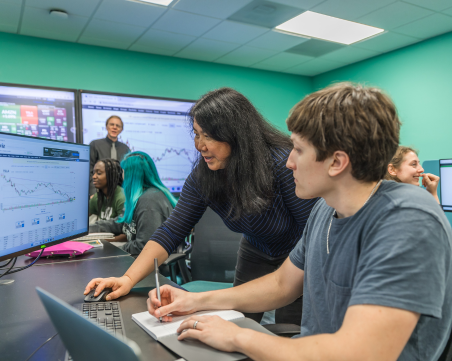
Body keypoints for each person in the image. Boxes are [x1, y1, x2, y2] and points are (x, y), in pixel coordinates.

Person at [145, 83, 452, 361]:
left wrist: (239, 338)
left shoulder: (409, 222)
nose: (289, 161)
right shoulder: (325, 209)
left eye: (298, 149)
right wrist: (196, 301)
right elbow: (282, 285)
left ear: (337, 162)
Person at [84, 88, 318, 325]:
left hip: (299, 252)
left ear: (236, 135)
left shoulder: (282, 165)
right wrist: (127, 279)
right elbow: (171, 231)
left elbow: (313, 235)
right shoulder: (204, 175)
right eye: (196, 134)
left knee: (291, 326)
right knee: (241, 319)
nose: (199, 145)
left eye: (208, 136)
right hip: (256, 249)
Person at [89, 151, 177, 258]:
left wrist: (111, 251)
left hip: (152, 267)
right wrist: (88, 229)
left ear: (131, 175)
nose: (122, 176)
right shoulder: (139, 197)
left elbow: (143, 247)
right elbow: (120, 223)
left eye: (124, 171)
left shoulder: (149, 202)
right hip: (137, 258)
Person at [88, 115, 130, 195]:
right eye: (112, 124)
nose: (114, 127)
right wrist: (93, 192)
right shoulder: (95, 145)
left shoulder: (125, 149)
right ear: (107, 127)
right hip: (99, 193)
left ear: (121, 130)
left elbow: (128, 173)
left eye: (118, 126)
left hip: (119, 194)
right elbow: (90, 171)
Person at [89, 158, 125, 223]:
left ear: (111, 176)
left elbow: (123, 227)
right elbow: (83, 216)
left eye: (99, 173)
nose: (94, 176)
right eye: (94, 173)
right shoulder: (97, 197)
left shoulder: (121, 198)